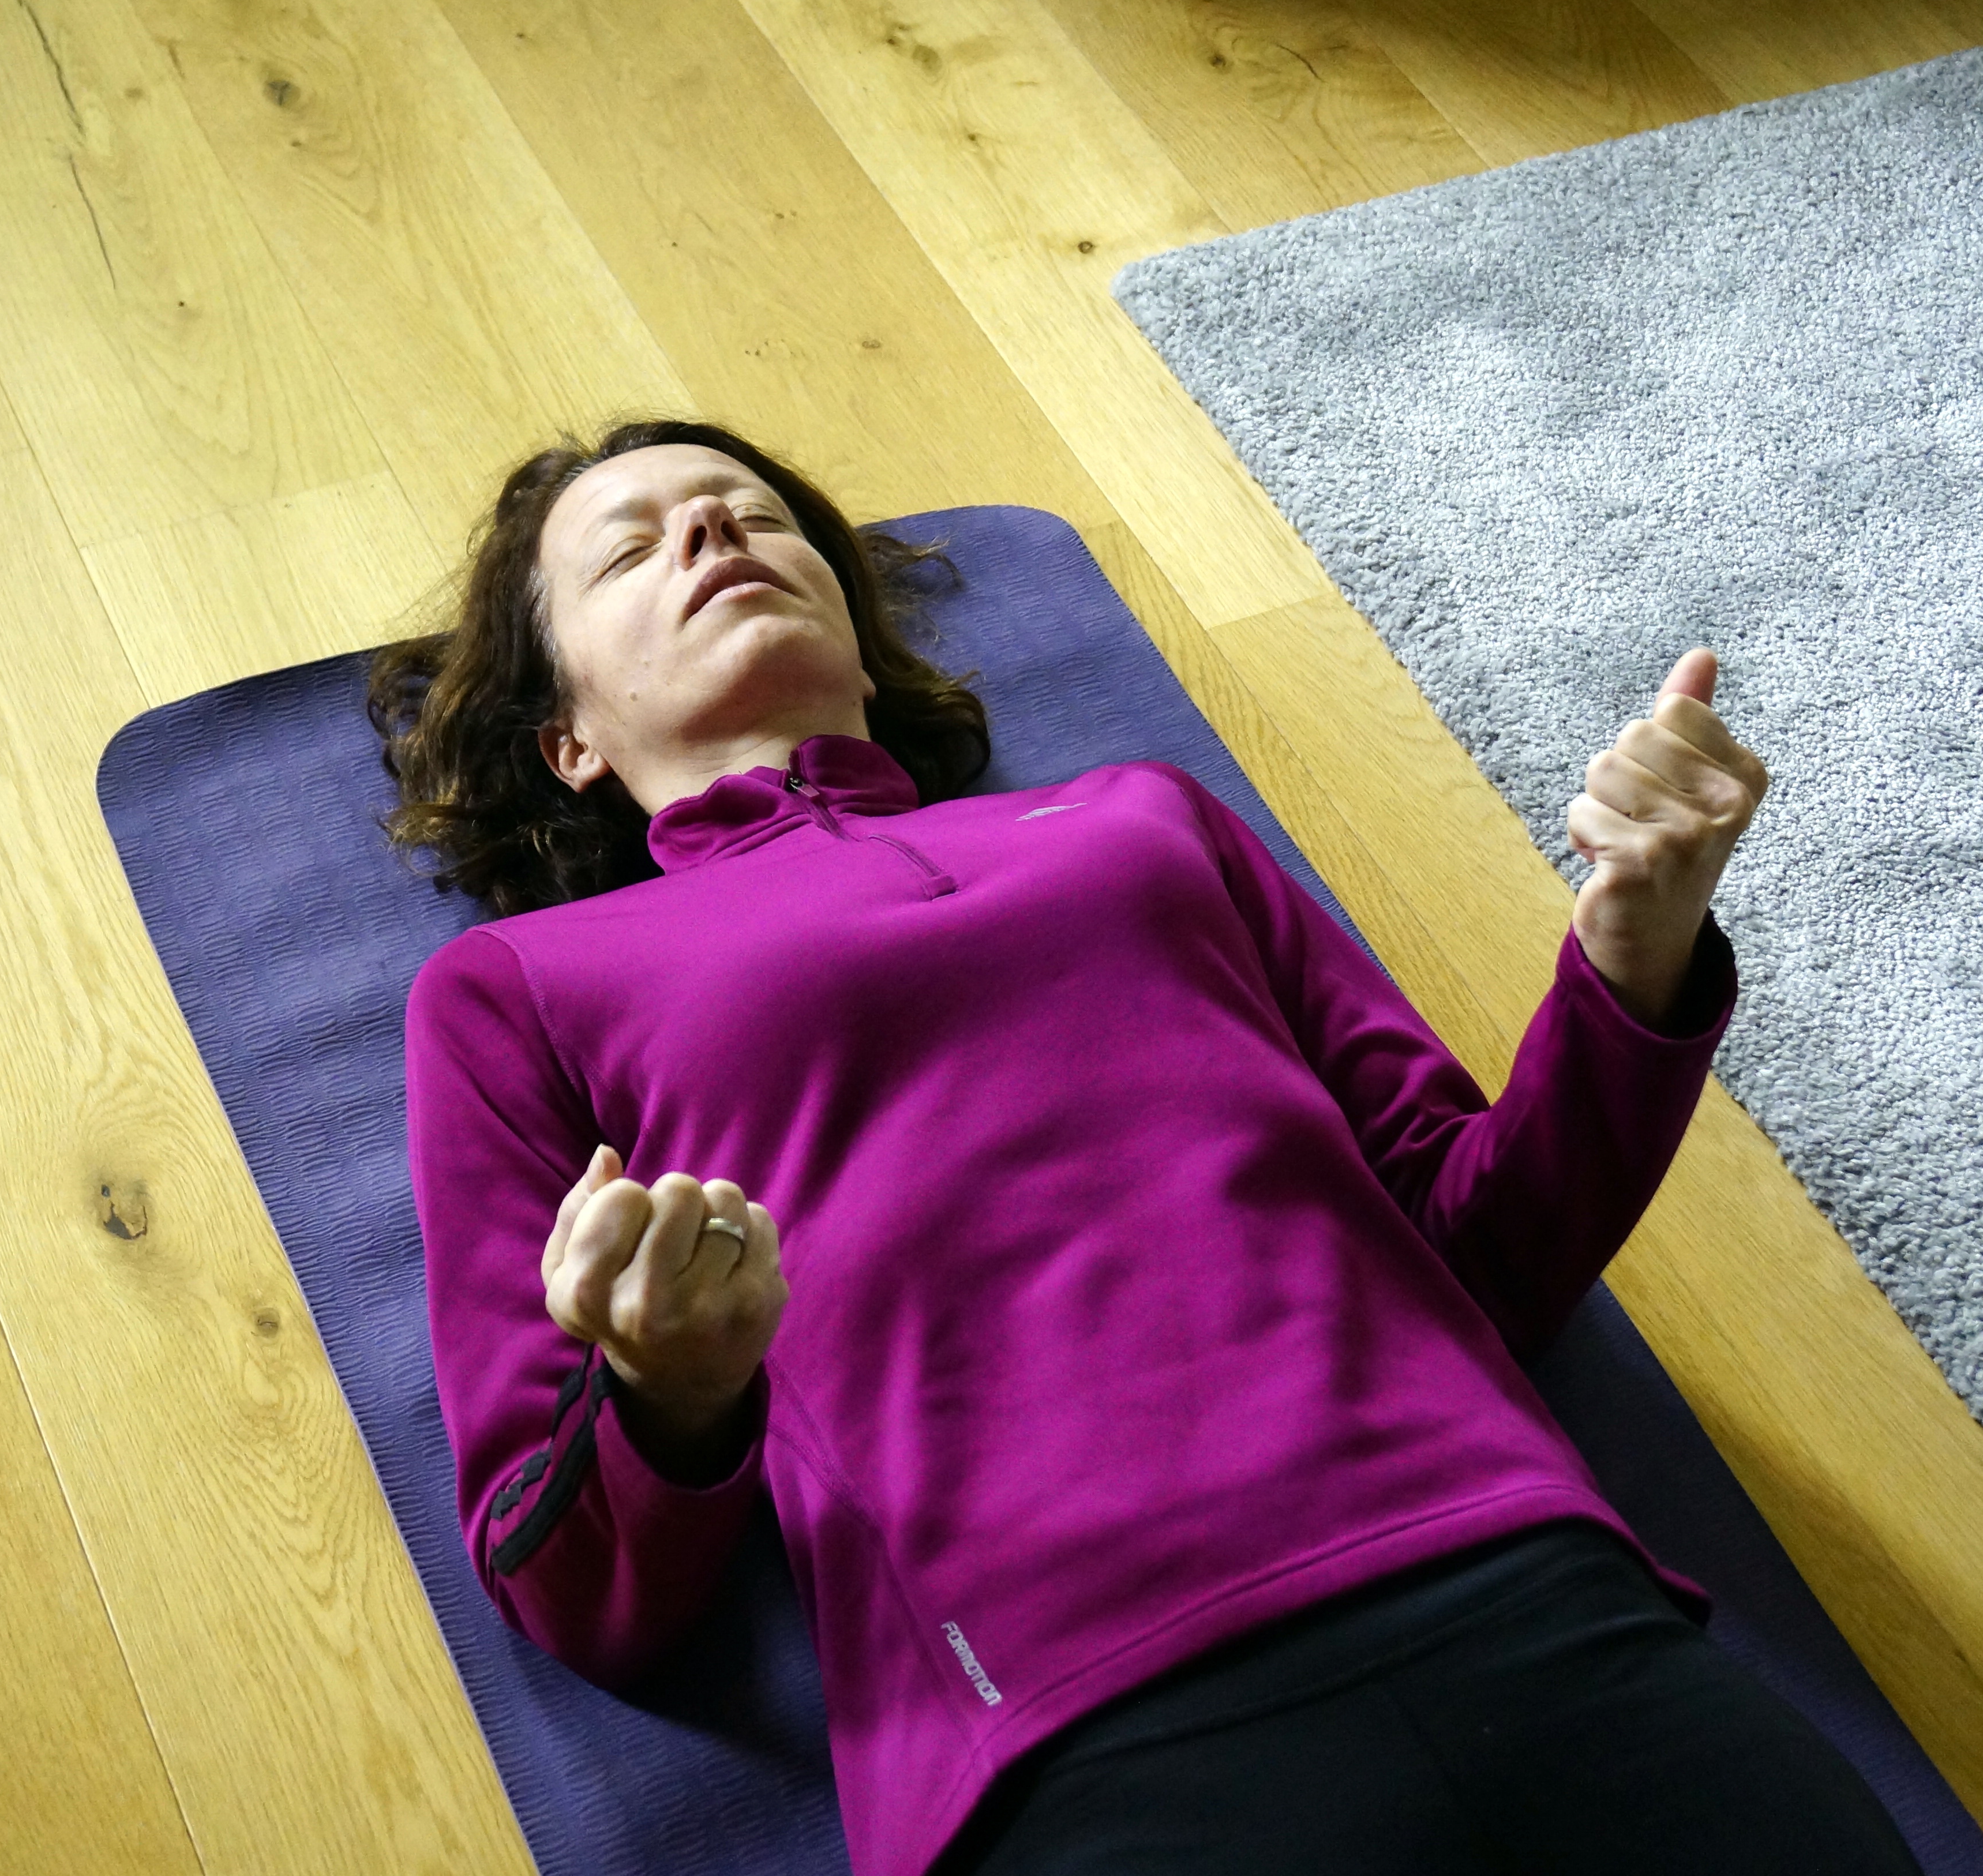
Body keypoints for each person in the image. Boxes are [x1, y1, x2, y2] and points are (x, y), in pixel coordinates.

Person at [373, 417, 1920, 1876]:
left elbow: (1480, 1255)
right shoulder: (516, 990)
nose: (712, 529)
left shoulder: (1144, 820)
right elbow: (559, 1579)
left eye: (753, 512)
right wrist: (669, 1391)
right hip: (1069, 1728)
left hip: (1520, 1581)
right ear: (568, 739)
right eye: (631, 548)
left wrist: (1634, 967)